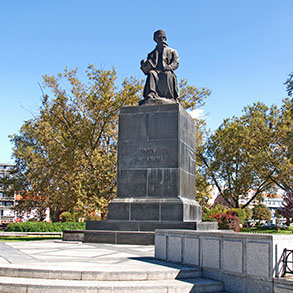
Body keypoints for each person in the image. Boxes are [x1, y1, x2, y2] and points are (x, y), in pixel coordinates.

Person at [139, 30, 179, 105]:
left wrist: (169, 67)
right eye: (159, 38)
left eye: (163, 38)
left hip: (167, 70)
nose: (161, 40)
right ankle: (151, 94)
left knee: (167, 74)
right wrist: (144, 64)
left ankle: (168, 97)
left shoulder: (172, 51)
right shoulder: (151, 54)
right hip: (156, 72)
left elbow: (175, 63)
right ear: (156, 40)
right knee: (151, 73)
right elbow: (148, 67)